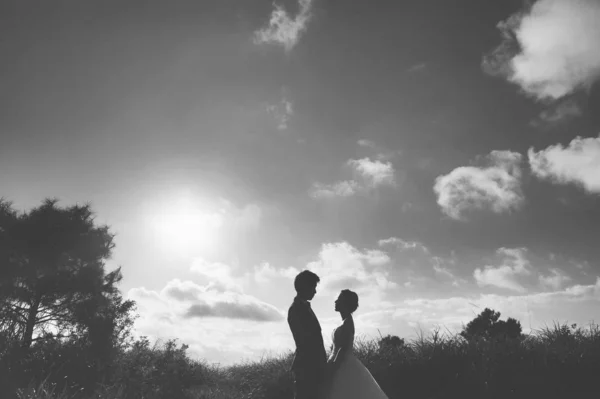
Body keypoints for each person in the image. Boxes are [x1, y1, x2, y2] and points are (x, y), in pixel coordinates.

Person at [324, 289, 389, 399]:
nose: (335, 301)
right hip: (337, 361)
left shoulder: (348, 323)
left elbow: (343, 349)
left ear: (345, 303)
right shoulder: (345, 321)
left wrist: (333, 367)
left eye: (339, 299)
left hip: (343, 364)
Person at [287, 270, 328, 399]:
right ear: (305, 287)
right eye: (313, 287)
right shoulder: (296, 309)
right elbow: (306, 341)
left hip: (312, 366)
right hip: (307, 367)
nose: (315, 291)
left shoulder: (304, 307)